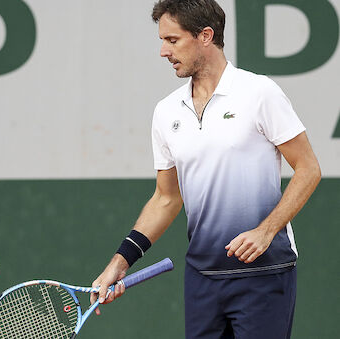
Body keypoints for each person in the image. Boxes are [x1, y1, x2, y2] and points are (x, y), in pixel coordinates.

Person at [90, 0, 321, 338]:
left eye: (172, 40)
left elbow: (308, 168)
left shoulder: (259, 93)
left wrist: (266, 230)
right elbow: (166, 199)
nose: (162, 52)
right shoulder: (166, 112)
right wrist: (119, 263)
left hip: (263, 276)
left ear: (205, 36)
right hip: (203, 280)